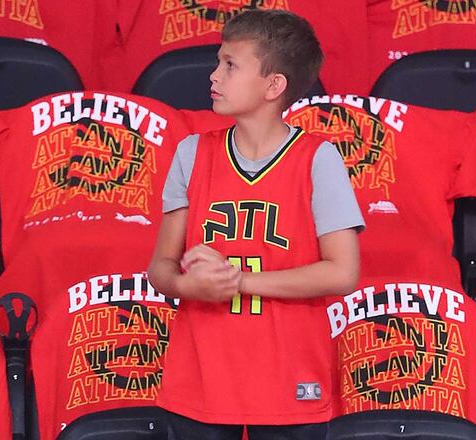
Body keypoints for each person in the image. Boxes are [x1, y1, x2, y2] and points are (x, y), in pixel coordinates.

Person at [148, 9, 364, 440]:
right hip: (200, 378)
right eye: (217, 62)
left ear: (274, 85)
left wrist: (237, 282)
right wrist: (190, 287)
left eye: (230, 65)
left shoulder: (318, 159)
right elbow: (161, 269)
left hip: (290, 377)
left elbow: (342, 272)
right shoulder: (191, 153)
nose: (214, 76)